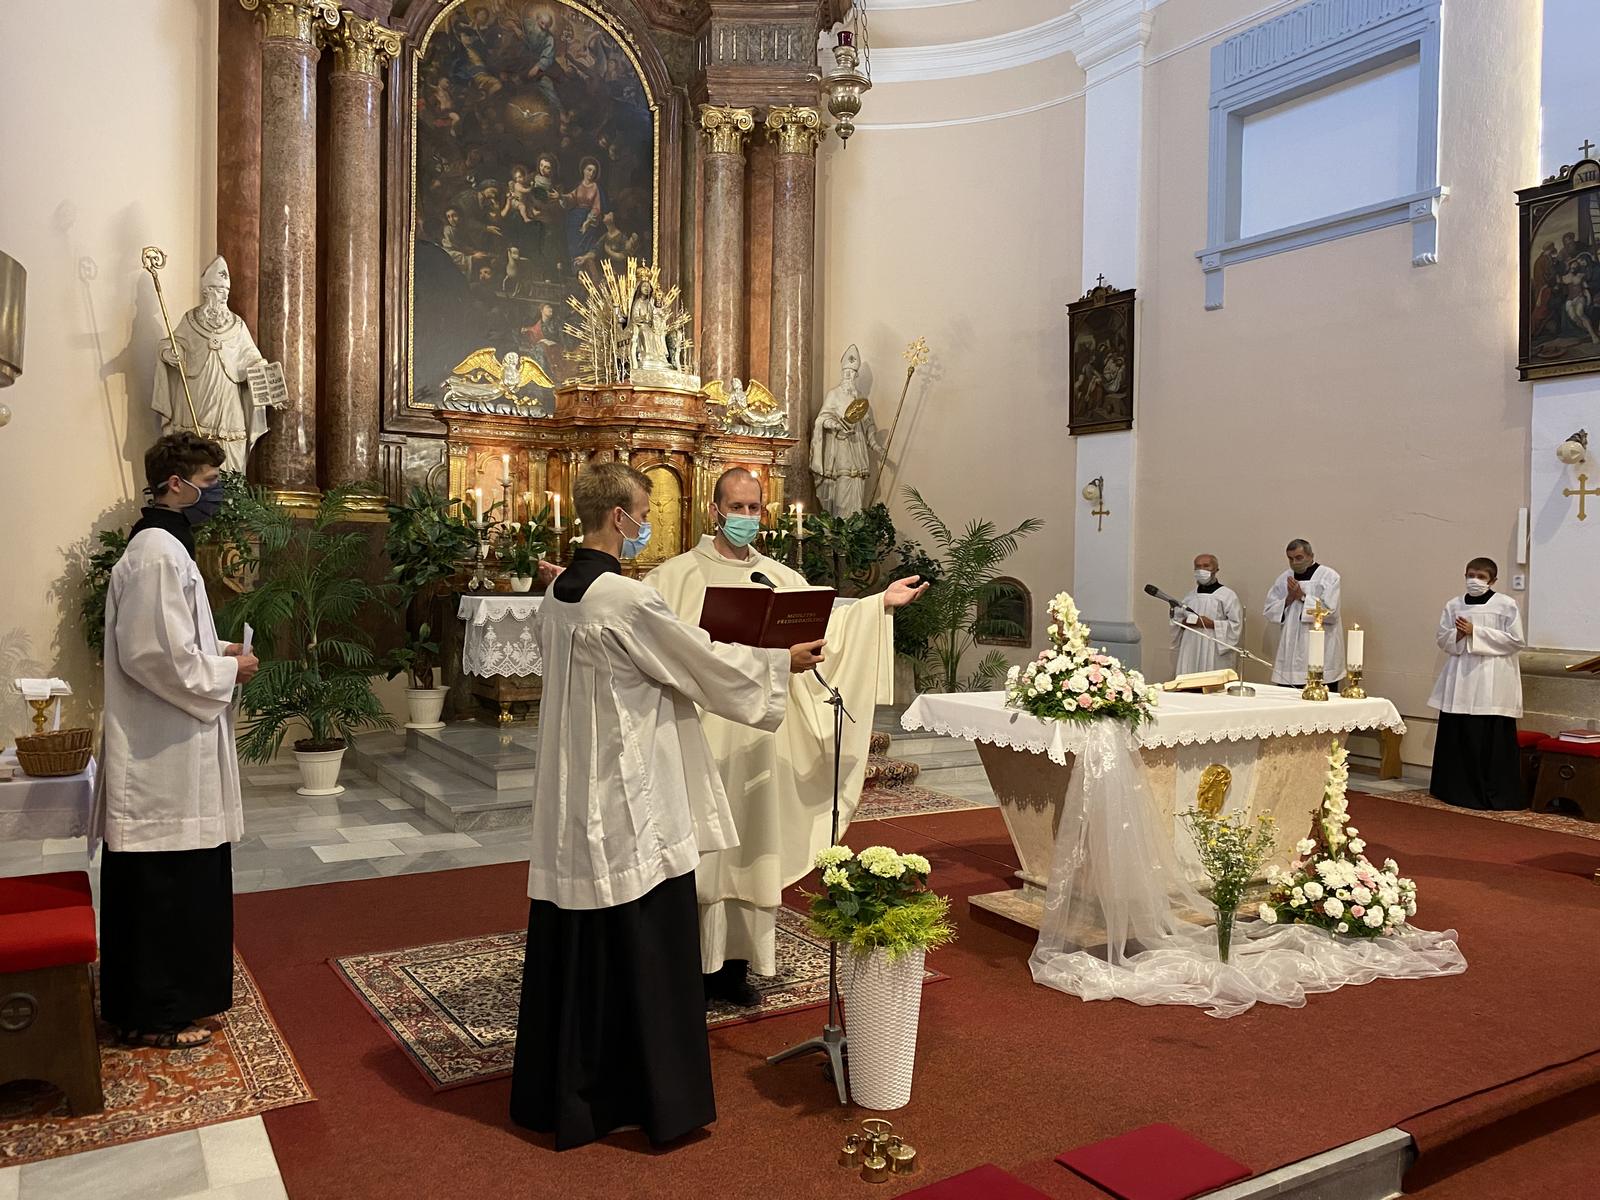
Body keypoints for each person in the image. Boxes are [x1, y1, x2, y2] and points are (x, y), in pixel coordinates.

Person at [509, 462, 826, 1151]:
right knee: (644, 937)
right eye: (643, 513)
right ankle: (650, 1095)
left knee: (582, 937)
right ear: (618, 517)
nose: (647, 525)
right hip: (630, 794)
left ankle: (568, 1090)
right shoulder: (625, 599)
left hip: (575, 789)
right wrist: (781, 663)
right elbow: (699, 660)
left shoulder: (559, 591)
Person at [645, 468, 925, 1005]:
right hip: (698, 737)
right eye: (737, 507)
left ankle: (733, 968)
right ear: (714, 510)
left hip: (759, 743)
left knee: (750, 847)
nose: (746, 517)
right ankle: (680, 967)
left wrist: (878, 604)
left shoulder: (778, 578)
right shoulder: (672, 578)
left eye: (754, 508)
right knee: (700, 851)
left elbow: (826, 631)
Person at [92, 432, 261, 1049]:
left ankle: (176, 1001)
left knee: (185, 880)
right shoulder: (158, 554)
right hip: (158, 755)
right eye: (209, 483)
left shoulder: (165, 547)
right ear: (175, 483)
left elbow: (172, 638)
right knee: (163, 887)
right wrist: (225, 672)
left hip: (173, 745)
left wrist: (217, 648)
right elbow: (150, 656)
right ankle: (153, 1013)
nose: (214, 495)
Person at [150, 256, 278, 474]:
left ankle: (231, 490)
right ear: (207, 291)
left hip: (229, 398)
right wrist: (171, 352)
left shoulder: (237, 325)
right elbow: (173, 342)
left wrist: (267, 381)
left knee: (231, 446)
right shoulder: (190, 320)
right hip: (197, 393)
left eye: (226, 290)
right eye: (219, 290)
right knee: (193, 446)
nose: (224, 295)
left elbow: (251, 357)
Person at [1427, 557, 1526, 810]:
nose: (1475, 580)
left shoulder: (1505, 605)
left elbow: (1516, 640)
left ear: (1492, 580)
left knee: (1487, 735)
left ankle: (1491, 793)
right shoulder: (1454, 605)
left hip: (1492, 678)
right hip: (1461, 676)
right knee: (1458, 733)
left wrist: (1476, 632)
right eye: (1471, 575)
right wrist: (1458, 634)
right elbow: (1442, 639)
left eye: (1481, 577)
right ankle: (1453, 790)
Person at [1263, 538, 1345, 689]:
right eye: (1290, 558)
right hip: (1290, 649)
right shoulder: (1284, 578)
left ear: (1310, 556)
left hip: (1321, 646)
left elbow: (1331, 612)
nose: (1294, 562)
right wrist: (1288, 599)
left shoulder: (1328, 576)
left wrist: (1302, 596)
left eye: (1299, 558)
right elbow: (1269, 610)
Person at [1171, 553, 1243, 675]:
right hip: (1191, 645)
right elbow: (1178, 620)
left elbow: (1236, 625)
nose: (1201, 570)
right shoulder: (1190, 596)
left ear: (1216, 569)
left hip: (1214, 646)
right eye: (1198, 566)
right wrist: (1184, 623)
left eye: (1206, 566)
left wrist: (1212, 624)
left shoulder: (1227, 595)